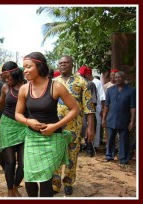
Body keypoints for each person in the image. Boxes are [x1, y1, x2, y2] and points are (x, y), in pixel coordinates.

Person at [14, 52, 79, 197]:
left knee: (45, 179)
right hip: (32, 138)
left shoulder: (56, 86)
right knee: (29, 178)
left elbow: (75, 109)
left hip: (52, 139)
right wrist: (28, 121)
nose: (25, 71)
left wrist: (55, 126)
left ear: (39, 66)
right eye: (24, 67)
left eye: (28, 67)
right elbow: (17, 114)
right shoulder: (24, 89)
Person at [52, 55, 95, 196]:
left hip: (74, 126)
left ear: (72, 65)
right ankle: (55, 183)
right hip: (56, 125)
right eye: (60, 63)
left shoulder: (82, 82)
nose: (63, 65)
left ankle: (69, 182)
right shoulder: (53, 82)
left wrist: (90, 127)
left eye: (66, 63)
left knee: (72, 155)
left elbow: (88, 106)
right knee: (56, 153)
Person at [0, 61, 27, 197]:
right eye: (5, 77)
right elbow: (0, 105)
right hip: (7, 126)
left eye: (9, 76)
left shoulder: (28, 86)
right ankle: (10, 191)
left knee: (24, 162)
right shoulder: (5, 88)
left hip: (24, 126)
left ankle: (14, 186)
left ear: (16, 73)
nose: (6, 80)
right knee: (10, 162)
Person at [102, 71, 136, 166]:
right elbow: (106, 106)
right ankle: (109, 155)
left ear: (124, 78)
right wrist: (104, 118)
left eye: (120, 77)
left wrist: (132, 121)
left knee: (124, 139)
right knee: (111, 138)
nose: (117, 79)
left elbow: (133, 107)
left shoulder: (131, 90)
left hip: (124, 119)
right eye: (116, 77)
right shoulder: (110, 90)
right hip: (111, 118)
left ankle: (123, 158)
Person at [79, 66, 106, 153]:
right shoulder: (81, 82)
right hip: (83, 109)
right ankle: (87, 147)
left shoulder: (92, 83)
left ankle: (91, 148)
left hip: (92, 110)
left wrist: (101, 109)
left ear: (86, 75)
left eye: (81, 75)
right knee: (84, 127)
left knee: (90, 127)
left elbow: (97, 99)